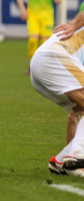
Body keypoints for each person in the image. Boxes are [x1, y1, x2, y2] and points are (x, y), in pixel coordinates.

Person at [29, 9, 84, 176]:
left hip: (42, 63)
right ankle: (77, 154)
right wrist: (74, 24)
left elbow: (74, 116)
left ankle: (60, 161)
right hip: (54, 57)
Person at [17, 0, 62, 75]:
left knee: (44, 43)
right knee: (32, 40)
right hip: (33, 15)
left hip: (47, 15)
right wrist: (22, 9)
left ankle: (43, 67)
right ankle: (33, 65)